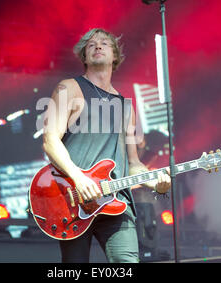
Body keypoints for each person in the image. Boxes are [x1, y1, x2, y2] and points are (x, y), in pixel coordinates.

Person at [42, 28, 171, 263]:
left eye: (104, 43)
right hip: (74, 201)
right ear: (84, 57)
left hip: (116, 203)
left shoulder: (126, 106)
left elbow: (133, 165)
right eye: (91, 45)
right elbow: (50, 140)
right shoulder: (69, 88)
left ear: (115, 56)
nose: (98, 46)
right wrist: (79, 178)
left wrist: (157, 184)